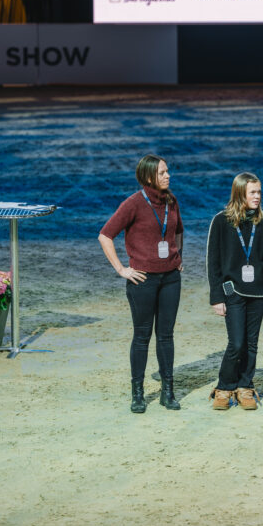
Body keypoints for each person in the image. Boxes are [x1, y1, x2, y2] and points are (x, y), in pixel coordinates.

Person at [99, 154, 184, 414]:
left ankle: (167, 393)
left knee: (166, 336)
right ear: (149, 177)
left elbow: (179, 231)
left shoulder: (171, 200)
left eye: (167, 171)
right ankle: (137, 394)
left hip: (171, 279)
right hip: (142, 280)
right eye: (162, 172)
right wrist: (122, 270)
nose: (168, 175)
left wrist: (177, 257)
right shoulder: (134, 204)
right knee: (142, 336)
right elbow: (105, 235)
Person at [206, 172, 263, 411]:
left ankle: (245, 386)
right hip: (232, 291)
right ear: (240, 194)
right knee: (236, 343)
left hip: (258, 293)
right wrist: (216, 297)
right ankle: (224, 387)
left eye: (259, 192)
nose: (257, 197)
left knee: (251, 344)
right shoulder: (221, 221)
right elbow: (213, 263)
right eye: (253, 192)